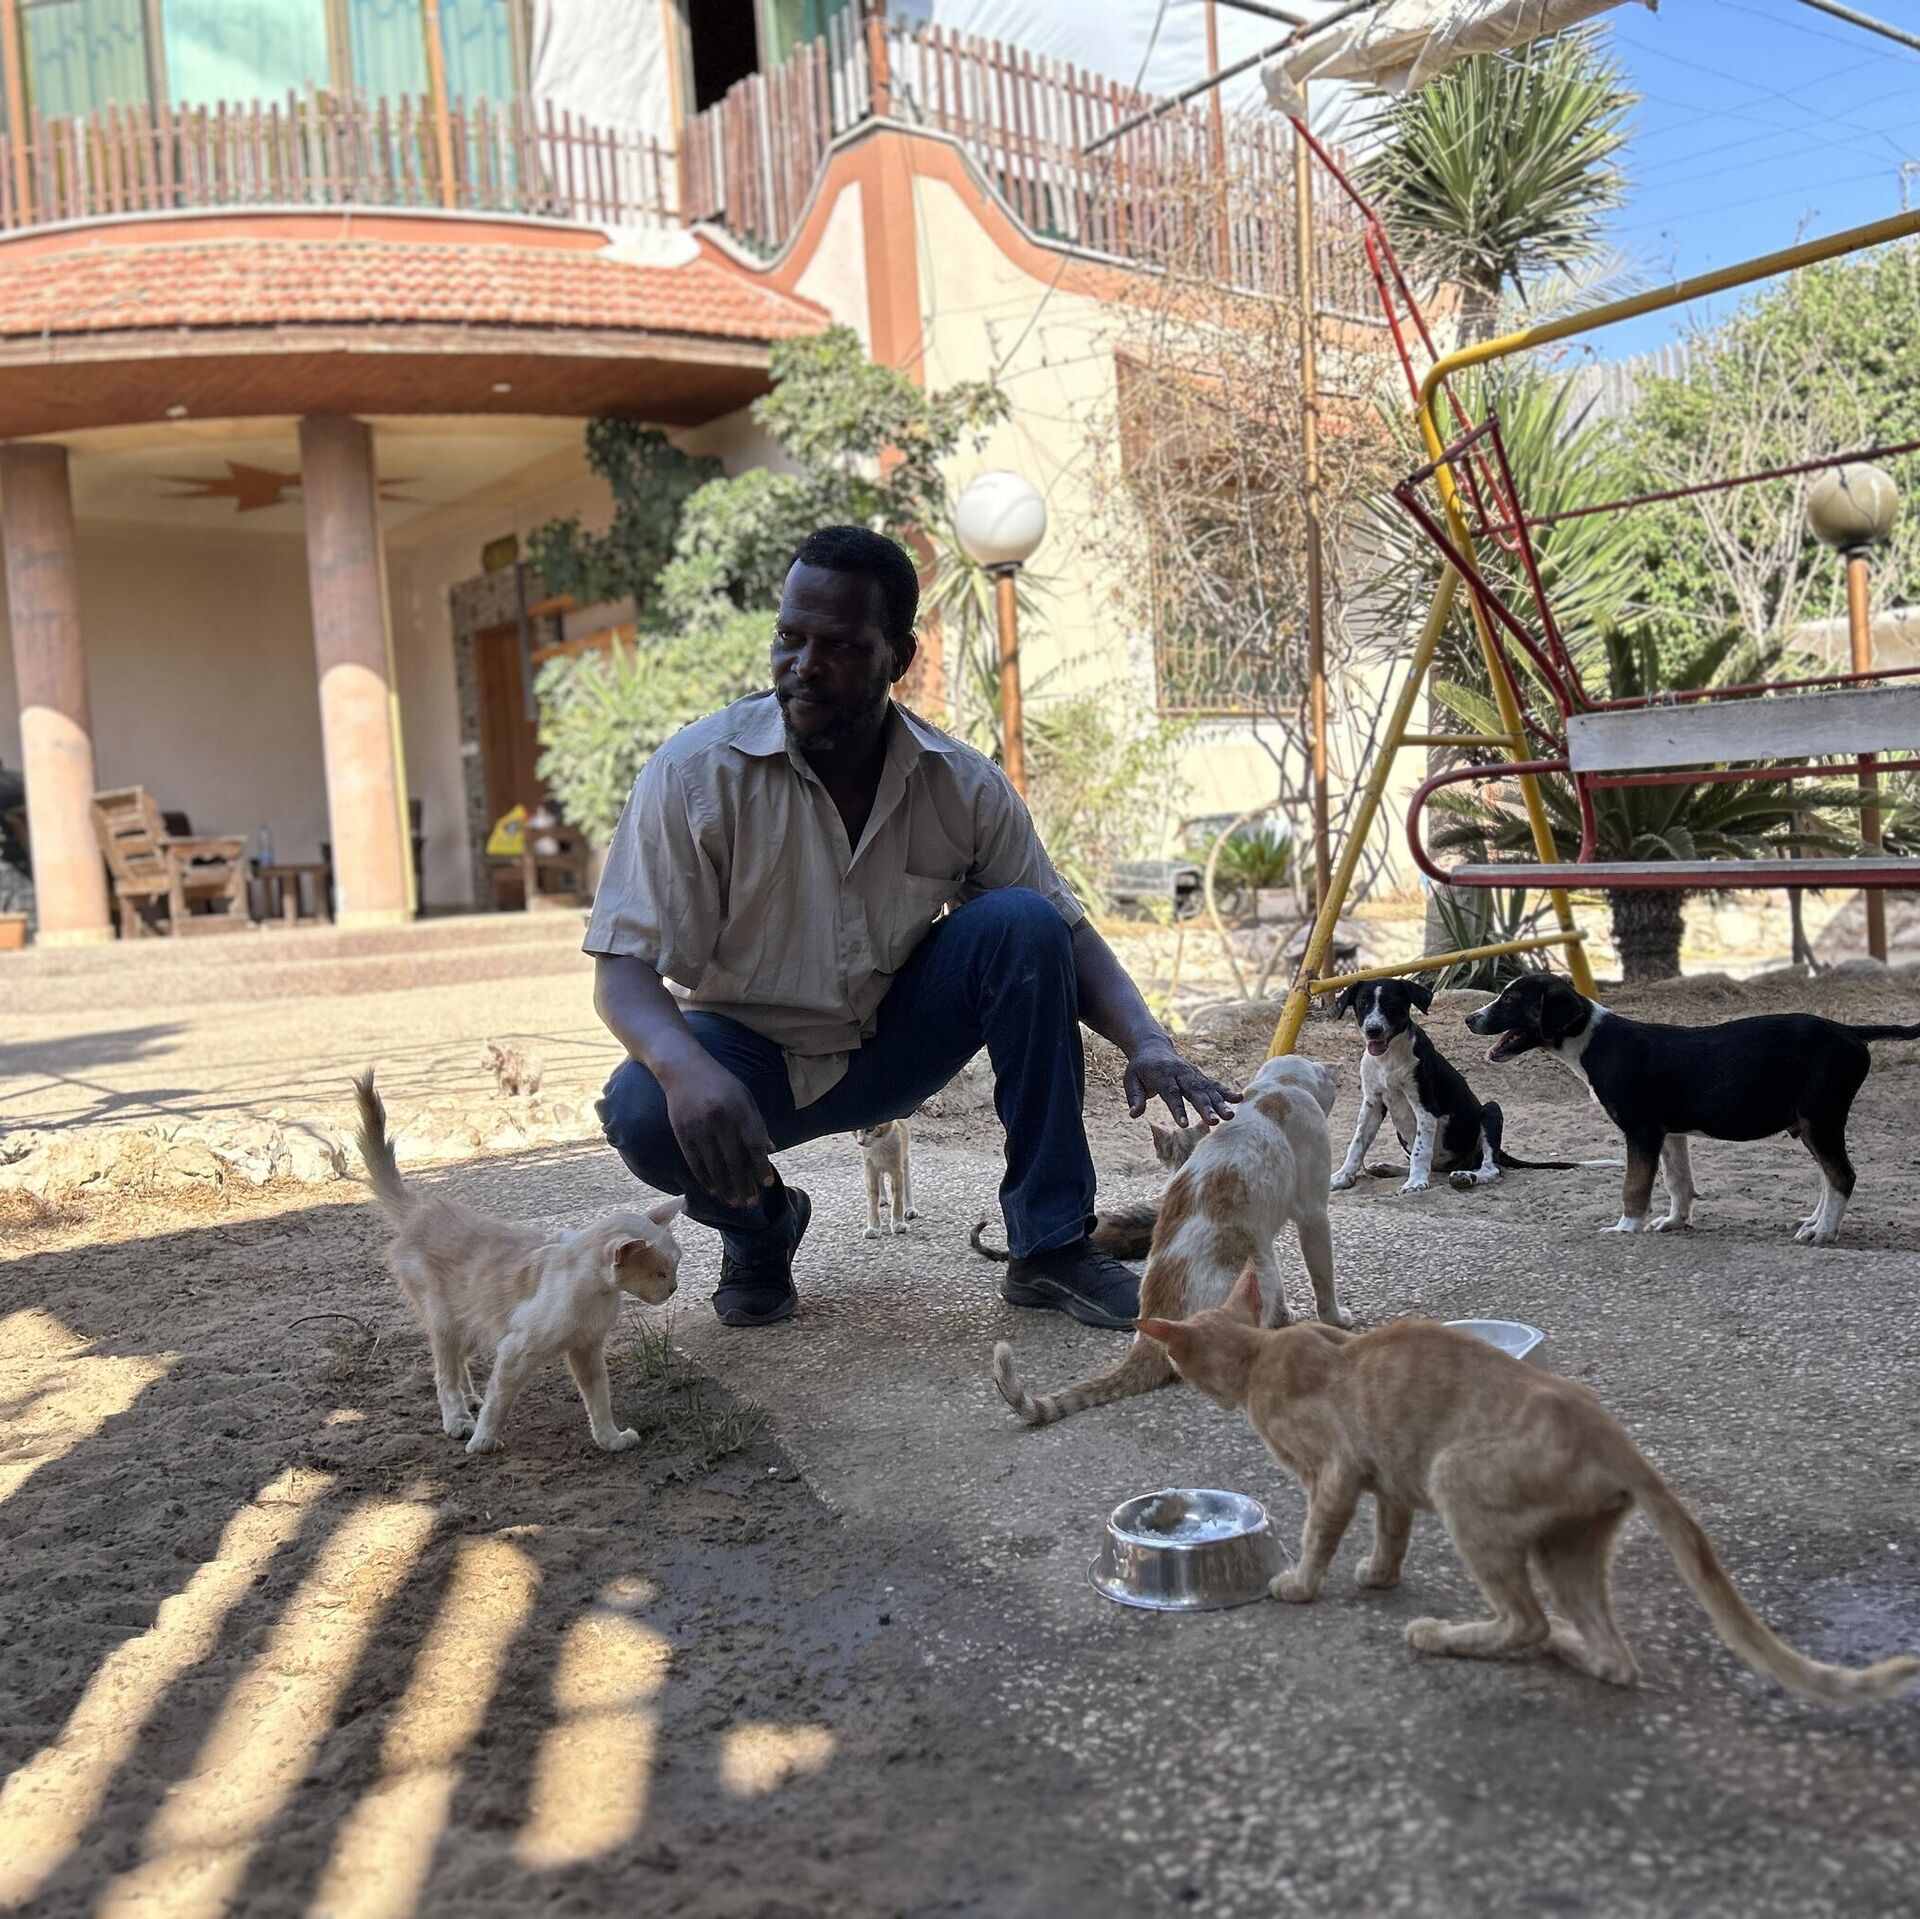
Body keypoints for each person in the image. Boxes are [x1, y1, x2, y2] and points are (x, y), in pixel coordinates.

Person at [588, 524, 1235, 1330]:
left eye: (839, 645)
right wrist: (687, 1069)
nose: (804, 664)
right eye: (790, 637)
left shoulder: (959, 784)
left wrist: (1148, 1040)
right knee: (642, 1108)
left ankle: (1052, 1246)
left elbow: (1062, 932)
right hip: (747, 1064)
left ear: (899, 656)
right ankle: (760, 1229)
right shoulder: (694, 775)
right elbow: (621, 967)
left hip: (891, 1047)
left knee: (1022, 922)